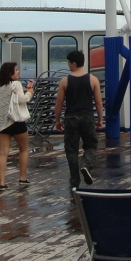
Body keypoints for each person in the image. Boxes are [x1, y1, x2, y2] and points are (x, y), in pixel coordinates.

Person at [54, 50, 103, 191]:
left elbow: (59, 104)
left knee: (71, 150)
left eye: (69, 62)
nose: (68, 65)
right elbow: (98, 103)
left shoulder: (65, 81)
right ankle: (86, 165)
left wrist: (57, 120)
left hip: (71, 118)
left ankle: (74, 181)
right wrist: (100, 119)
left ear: (73, 63)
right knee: (91, 145)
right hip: (87, 117)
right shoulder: (93, 80)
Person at [0, 62, 33, 190]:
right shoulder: (16, 84)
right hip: (16, 122)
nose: (18, 72)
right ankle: (22, 178)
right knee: (23, 149)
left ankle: (2, 182)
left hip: (2, 124)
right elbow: (22, 100)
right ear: (10, 74)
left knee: (3, 153)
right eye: (16, 70)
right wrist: (30, 92)